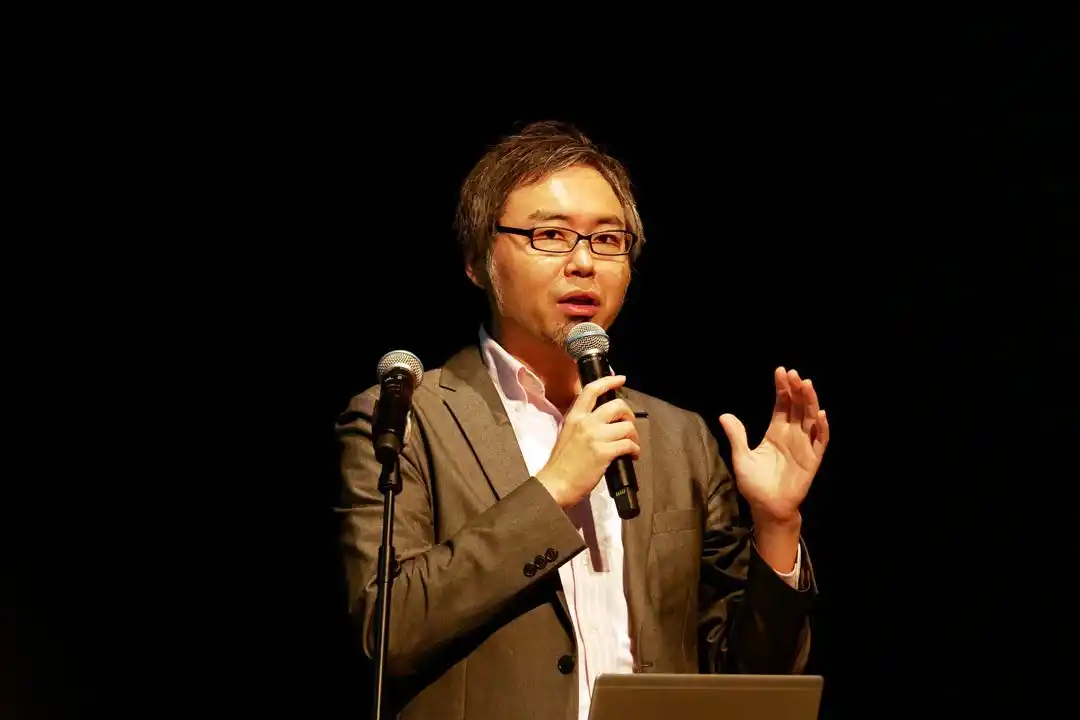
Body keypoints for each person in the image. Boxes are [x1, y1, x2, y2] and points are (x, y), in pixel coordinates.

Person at [336, 120, 829, 720]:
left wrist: (776, 527)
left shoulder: (679, 437)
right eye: (550, 234)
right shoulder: (407, 417)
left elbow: (753, 680)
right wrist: (552, 492)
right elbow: (387, 631)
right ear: (476, 260)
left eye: (608, 240)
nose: (583, 262)